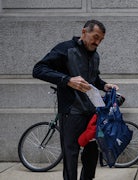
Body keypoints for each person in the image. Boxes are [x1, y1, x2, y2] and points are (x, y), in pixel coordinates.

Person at [33, 19, 119, 180]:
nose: (98, 42)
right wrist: (67, 80)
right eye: (95, 37)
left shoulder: (95, 55)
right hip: (71, 112)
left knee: (92, 153)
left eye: (101, 39)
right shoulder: (65, 49)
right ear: (84, 32)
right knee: (71, 154)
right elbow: (38, 69)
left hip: (92, 113)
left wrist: (105, 85)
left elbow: (94, 79)